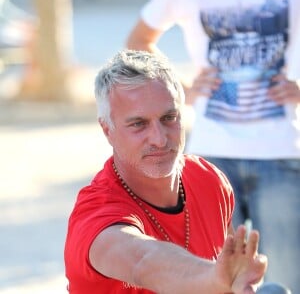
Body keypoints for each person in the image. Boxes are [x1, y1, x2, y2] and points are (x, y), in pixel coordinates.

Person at [126, 0, 300, 292]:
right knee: (213, 279)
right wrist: (182, 91)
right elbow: (138, 42)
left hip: (280, 154)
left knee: (286, 280)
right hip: (210, 159)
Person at [64, 49, 268, 293]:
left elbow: (227, 274)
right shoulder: (96, 212)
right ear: (107, 129)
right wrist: (214, 278)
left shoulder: (209, 179)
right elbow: (143, 261)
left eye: (169, 117)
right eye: (138, 124)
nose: (159, 139)